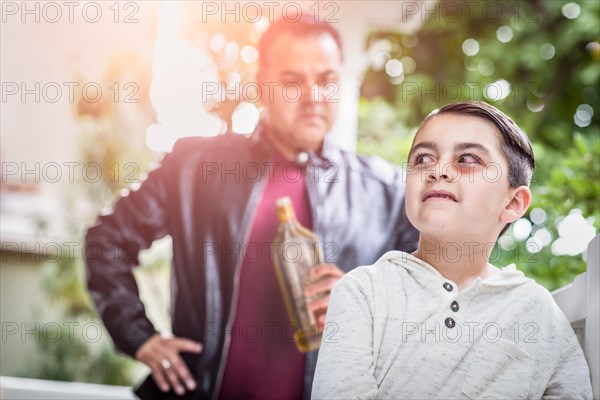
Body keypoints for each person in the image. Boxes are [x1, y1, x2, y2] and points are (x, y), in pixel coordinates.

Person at [84, 15, 418, 400]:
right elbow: (105, 240)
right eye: (293, 82)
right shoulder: (195, 166)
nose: (313, 97)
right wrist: (139, 336)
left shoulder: (388, 192)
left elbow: (431, 302)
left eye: (326, 81)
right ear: (263, 86)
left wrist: (365, 301)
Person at [312, 101, 593, 399]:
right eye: (422, 159)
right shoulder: (362, 291)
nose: (438, 170)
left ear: (512, 204)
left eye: (468, 159)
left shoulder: (538, 311)